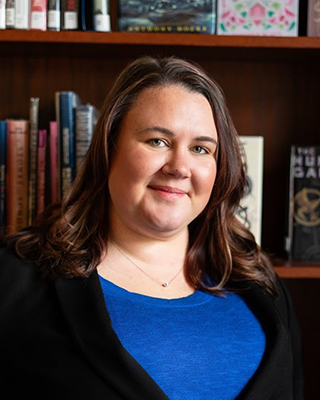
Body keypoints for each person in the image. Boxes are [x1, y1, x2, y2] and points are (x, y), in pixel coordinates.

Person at [0, 56, 303, 400]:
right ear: (108, 150)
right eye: (157, 141)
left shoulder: (264, 287)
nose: (179, 167)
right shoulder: (15, 282)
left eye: (201, 148)